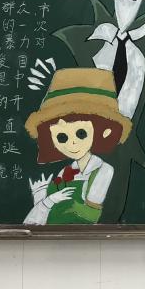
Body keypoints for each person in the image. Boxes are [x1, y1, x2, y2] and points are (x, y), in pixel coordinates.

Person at [22, 68, 132, 225]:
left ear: (102, 130)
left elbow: (89, 215)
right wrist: (42, 197)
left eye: (81, 133)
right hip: (51, 236)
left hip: (80, 236)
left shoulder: (104, 170)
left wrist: (50, 201)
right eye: (62, 137)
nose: (72, 143)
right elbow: (38, 221)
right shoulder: (65, 171)